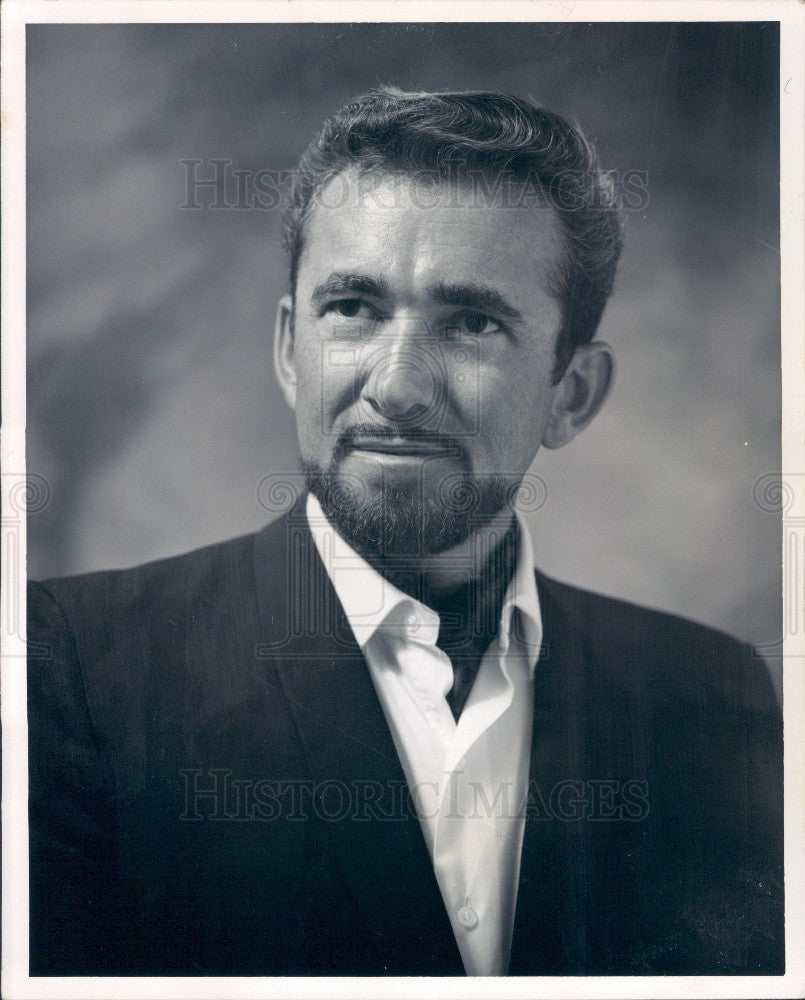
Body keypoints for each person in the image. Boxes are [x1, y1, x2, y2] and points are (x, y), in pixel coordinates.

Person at [27, 87, 783, 977]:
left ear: (570, 393)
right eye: (352, 307)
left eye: (471, 322)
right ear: (287, 350)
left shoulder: (707, 695)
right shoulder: (67, 665)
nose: (397, 388)